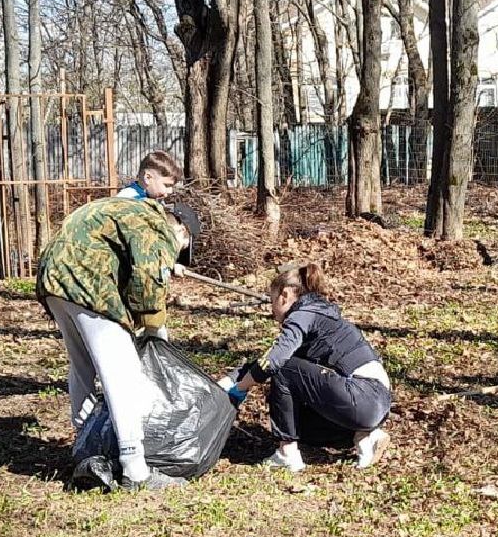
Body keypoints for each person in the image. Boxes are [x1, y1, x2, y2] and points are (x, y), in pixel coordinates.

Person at [36, 196, 203, 487]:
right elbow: (148, 280)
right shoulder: (158, 226)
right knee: (123, 373)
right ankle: (135, 468)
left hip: (53, 278)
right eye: (183, 248)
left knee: (82, 365)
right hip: (87, 282)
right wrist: (154, 329)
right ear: (181, 230)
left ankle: (86, 446)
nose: (177, 255)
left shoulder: (125, 210)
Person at [220, 263, 391, 472]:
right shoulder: (320, 314)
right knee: (299, 423)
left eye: (272, 301)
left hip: (363, 394)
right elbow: (265, 360)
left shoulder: (302, 315)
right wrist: (227, 382)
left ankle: (287, 454)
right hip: (378, 402)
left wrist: (240, 388)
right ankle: (366, 437)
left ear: (284, 295)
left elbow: (275, 361)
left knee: (283, 369)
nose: (272, 310)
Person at [116, 150, 183, 201]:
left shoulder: (149, 197)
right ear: (147, 178)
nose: (170, 191)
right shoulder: (129, 201)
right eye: (166, 185)